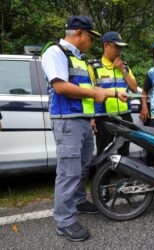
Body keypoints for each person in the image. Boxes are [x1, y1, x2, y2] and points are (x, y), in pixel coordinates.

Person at [41, 16, 128, 242]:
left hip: (83, 120)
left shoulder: (78, 59)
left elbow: (90, 90)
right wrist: (95, 94)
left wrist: (114, 93)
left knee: (81, 167)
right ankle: (65, 221)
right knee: (68, 172)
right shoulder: (55, 52)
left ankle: (78, 202)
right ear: (79, 33)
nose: (91, 42)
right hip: (68, 121)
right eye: (90, 37)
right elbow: (60, 86)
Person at [89, 31, 137, 156]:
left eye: (120, 48)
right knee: (103, 153)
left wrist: (122, 70)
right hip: (104, 117)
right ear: (106, 46)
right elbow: (89, 92)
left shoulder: (124, 66)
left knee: (125, 154)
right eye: (116, 47)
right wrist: (91, 117)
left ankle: (123, 176)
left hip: (124, 117)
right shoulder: (94, 67)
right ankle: (102, 175)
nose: (119, 51)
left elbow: (134, 88)